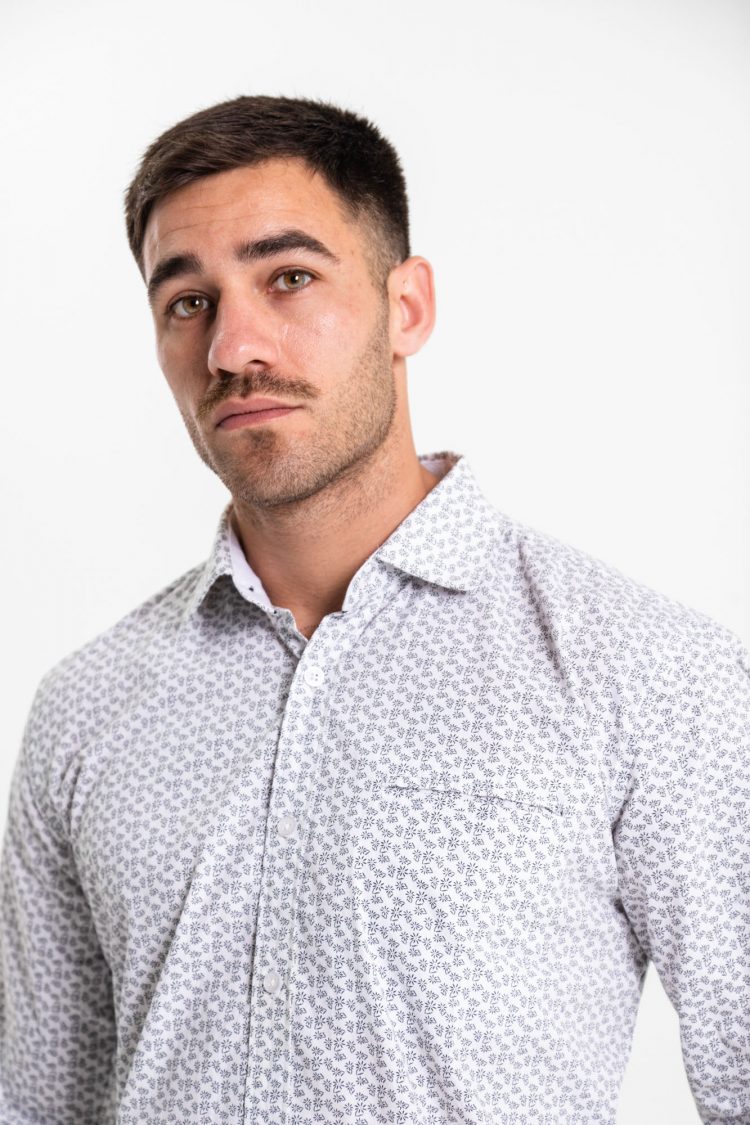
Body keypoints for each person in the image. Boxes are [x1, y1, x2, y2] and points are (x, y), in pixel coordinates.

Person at [0, 95, 748, 1125]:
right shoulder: (87, 709)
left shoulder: (647, 674)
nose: (232, 348)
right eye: (188, 301)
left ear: (407, 307)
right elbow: (42, 1106)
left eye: (289, 278)